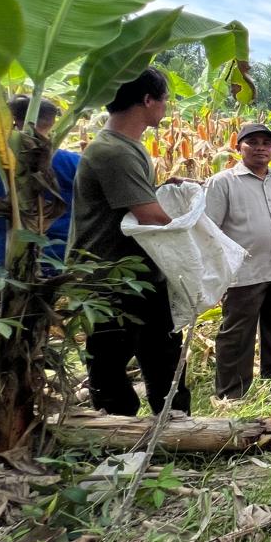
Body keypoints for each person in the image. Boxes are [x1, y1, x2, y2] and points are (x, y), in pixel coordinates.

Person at [69, 67, 188, 416]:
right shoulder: (114, 152)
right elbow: (149, 215)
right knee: (112, 359)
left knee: (160, 354)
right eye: (164, 99)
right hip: (114, 279)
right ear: (147, 100)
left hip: (134, 274)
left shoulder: (125, 147)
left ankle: (173, 427)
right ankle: (117, 432)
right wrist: (191, 229)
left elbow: (131, 203)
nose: (166, 107)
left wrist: (162, 188)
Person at [205, 123, 271, 400]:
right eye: (253, 142)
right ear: (239, 146)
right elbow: (209, 230)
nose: (261, 147)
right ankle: (232, 391)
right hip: (244, 273)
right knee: (237, 333)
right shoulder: (223, 182)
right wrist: (214, 271)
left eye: (267, 142)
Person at [0, 96, 80, 271]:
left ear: (10, 120)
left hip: (5, 263)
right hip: (58, 260)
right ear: (52, 121)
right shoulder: (75, 162)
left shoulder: (2, 164)